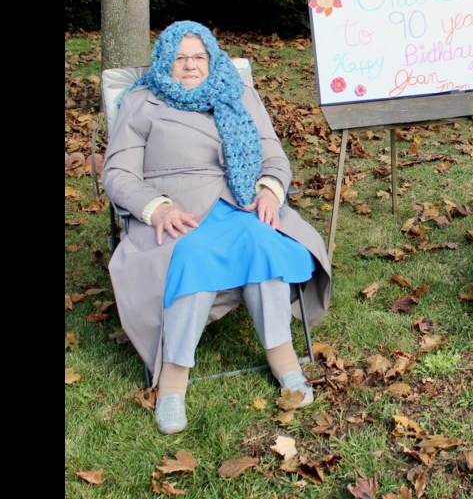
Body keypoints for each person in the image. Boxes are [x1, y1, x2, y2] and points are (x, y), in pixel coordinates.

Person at [103, 21, 333, 435]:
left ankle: (284, 361)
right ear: (164, 62)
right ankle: (172, 384)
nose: (190, 66)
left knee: (262, 242)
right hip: (177, 209)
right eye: (180, 58)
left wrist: (268, 190)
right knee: (192, 256)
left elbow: (274, 157)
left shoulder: (239, 94)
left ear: (211, 59)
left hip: (240, 201)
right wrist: (154, 209)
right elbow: (118, 173)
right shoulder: (141, 103)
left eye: (198, 57)